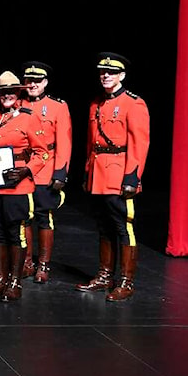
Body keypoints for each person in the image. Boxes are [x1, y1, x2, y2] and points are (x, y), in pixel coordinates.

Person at [76, 53, 150, 302]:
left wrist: (132, 176)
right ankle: (105, 275)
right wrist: (88, 172)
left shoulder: (133, 103)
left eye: (111, 73)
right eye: (102, 72)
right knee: (103, 227)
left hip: (120, 174)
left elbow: (139, 143)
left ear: (122, 76)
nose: (105, 76)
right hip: (98, 174)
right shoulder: (96, 104)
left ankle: (126, 282)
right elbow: (91, 143)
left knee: (123, 227)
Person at [0, 71, 48, 303]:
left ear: (18, 93)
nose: (7, 96)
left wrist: (26, 170)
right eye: (3, 92)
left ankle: (15, 281)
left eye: (11, 92)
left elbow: (42, 152)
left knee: (15, 234)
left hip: (17, 185)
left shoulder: (28, 117)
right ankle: (0, 279)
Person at [18, 61, 72, 284]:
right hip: (23, 169)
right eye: (29, 80)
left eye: (37, 81)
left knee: (43, 217)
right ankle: (27, 263)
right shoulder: (18, 103)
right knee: (22, 217)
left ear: (45, 83)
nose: (32, 84)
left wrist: (60, 173)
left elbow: (64, 142)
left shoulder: (58, 106)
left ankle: (43, 265)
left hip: (46, 169)